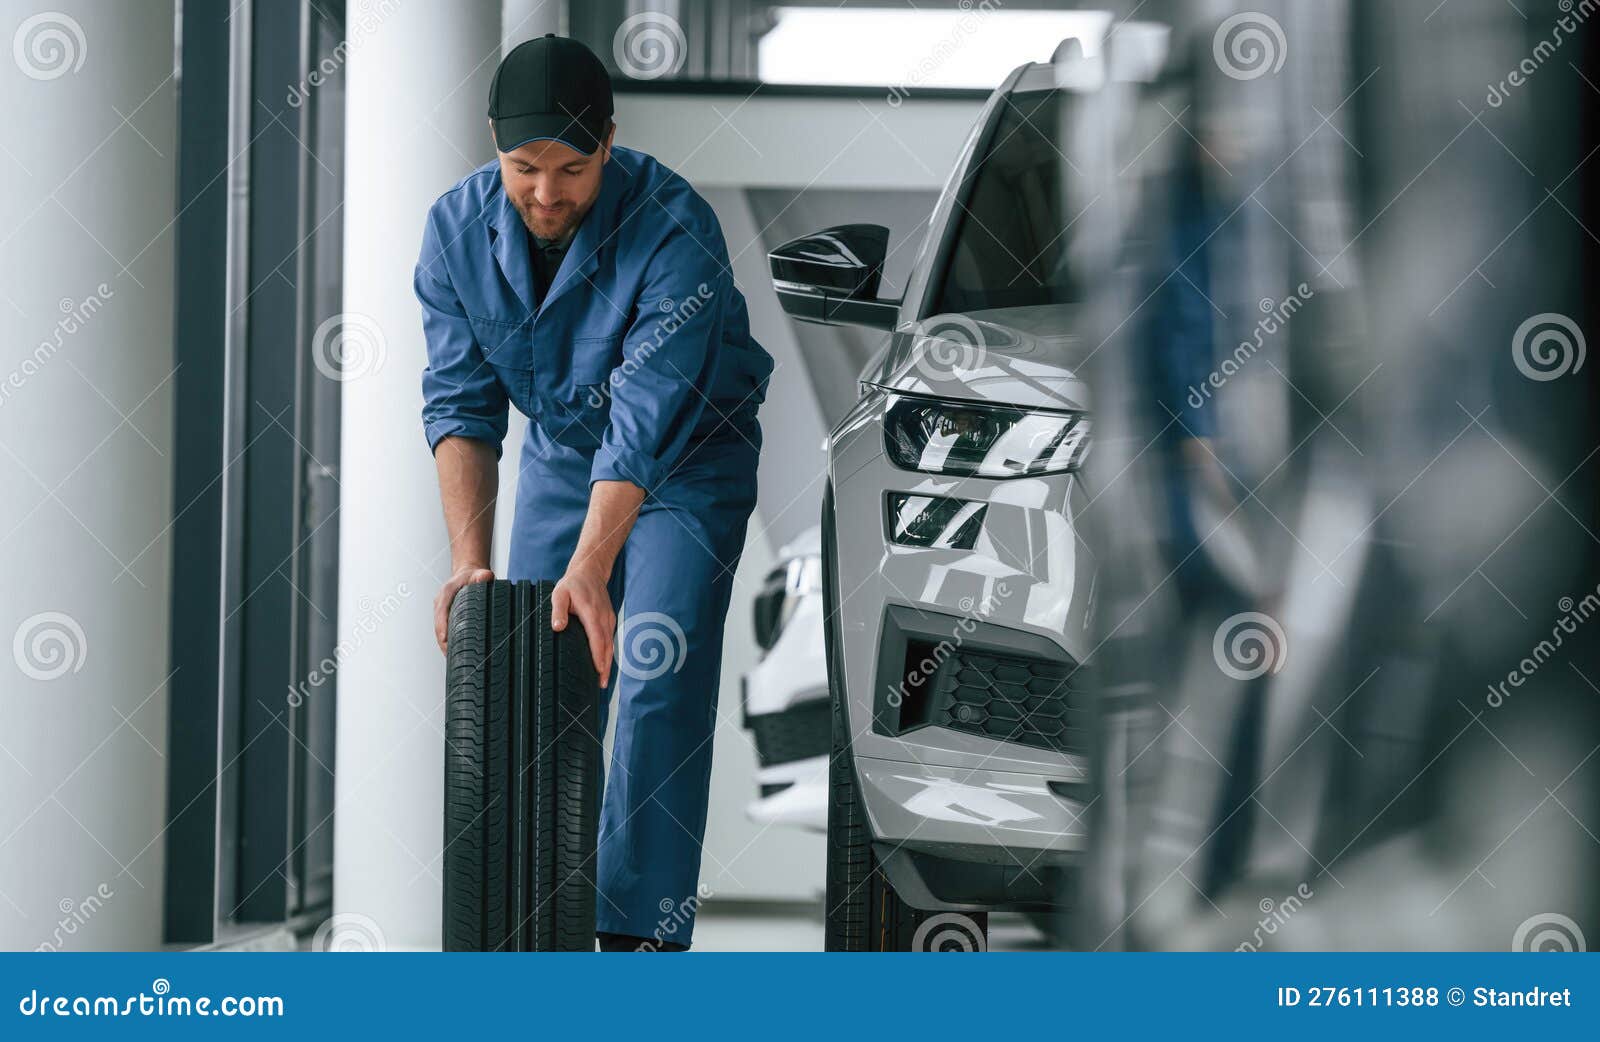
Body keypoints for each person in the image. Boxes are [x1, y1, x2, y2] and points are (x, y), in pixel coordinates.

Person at [414, 34, 773, 951]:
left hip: (691, 458)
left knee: (654, 664)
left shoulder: (676, 226)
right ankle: (533, 918)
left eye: (571, 168)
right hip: (563, 459)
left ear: (609, 144)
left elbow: (648, 416)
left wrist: (591, 565)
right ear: (495, 146)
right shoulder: (455, 231)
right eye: (524, 168)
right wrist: (469, 564)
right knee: (540, 667)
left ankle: (636, 938)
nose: (546, 193)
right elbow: (461, 402)